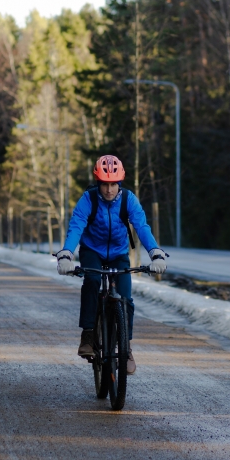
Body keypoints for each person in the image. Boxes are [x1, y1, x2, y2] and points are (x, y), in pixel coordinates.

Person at [55, 155, 168, 375]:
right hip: (92, 251)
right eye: (105, 184)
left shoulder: (129, 200)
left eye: (113, 184)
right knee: (92, 280)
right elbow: (76, 226)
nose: (109, 189)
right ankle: (88, 334)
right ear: (98, 183)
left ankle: (126, 347)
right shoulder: (88, 199)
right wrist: (66, 254)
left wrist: (155, 252)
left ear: (120, 183)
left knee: (125, 297)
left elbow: (142, 227)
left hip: (118, 254)